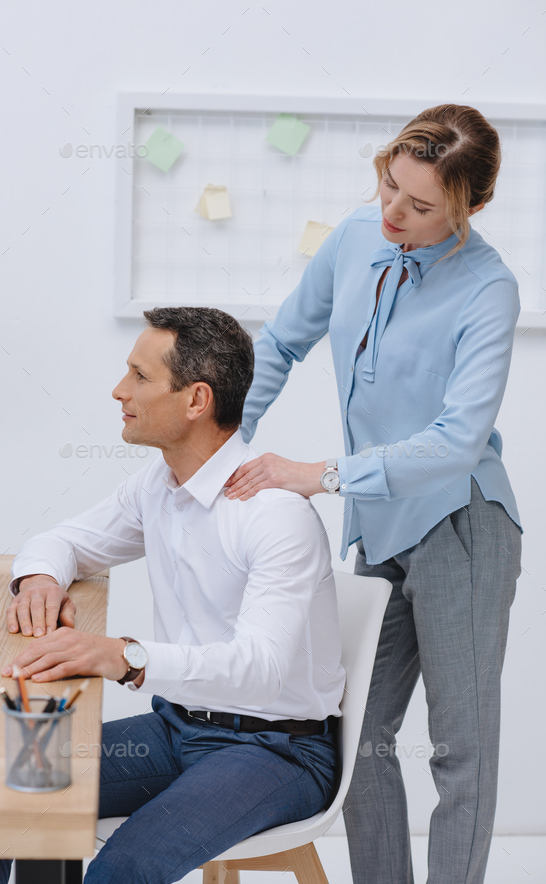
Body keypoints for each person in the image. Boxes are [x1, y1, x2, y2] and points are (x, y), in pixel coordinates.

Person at [225, 105, 523, 884]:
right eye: (390, 186)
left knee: (461, 750)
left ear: (471, 207)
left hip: (463, 529)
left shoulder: (489, 289)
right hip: (379, 531)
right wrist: (227, 455)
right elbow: (284, 341)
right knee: (358, 742)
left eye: (422, 206)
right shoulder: (358, 235)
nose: (394, 212)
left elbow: (459, 441)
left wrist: (319, 474)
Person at [0, 307, 345, 884]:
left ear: (196, 400)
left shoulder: (275, 516)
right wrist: (40, 577)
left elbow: (262, 670)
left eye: (140, 377)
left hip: (275, 751)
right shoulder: (160, 486)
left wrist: (126, 656)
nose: (119, 391)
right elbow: (65, 540)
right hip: (177, 728)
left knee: (125, 869)